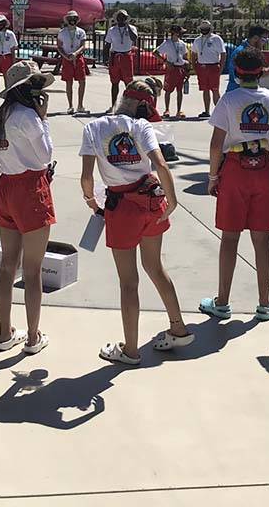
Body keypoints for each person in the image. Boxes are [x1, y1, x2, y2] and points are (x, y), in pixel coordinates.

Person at [80, 77, 191, 365]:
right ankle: (178, 327)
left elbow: (87, 176)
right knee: (155, 267)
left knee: (128, 281)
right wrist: (172, 200)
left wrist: (91, 200)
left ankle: (130, 350)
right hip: (152, 201)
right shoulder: (142, 127)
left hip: (122, 209)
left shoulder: (93, 128)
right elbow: (161, 164)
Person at [200, 47, 269, 322]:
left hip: (235, 170)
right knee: (262, 238)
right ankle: (264, 302)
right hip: (264, 168)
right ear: (261, 73)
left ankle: (222, 302)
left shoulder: (229, 101)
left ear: (236, 73)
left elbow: (216, 144)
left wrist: (213, 177)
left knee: (230, 237)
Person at [0, 61, 55, 355]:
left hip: (7, 187)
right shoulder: (29, 117)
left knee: (7, 263)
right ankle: (33, 337)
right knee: (33, 269)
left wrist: (11, 164)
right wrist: (44, 119)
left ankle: (4, 333)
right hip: (31, 188)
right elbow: (45, 156)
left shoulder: (0, 116)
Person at [225, 26, 269, 93]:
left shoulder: (250, 50)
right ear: (255, 38)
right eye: (264, 40)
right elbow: (240, 78)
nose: (265, 42)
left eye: (267, 40)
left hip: (243, 92)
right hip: (238, 92)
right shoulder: (242, 52)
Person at [103, 9, 138, 110]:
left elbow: (134, 38)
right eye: (119, 17)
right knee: (114, 83)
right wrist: (105, 58)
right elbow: (107, 44)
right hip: (115, 56)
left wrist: (128, 26)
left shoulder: (132, 28)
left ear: (126, 18)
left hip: (126, 56)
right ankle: (113, 106)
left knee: (129, 83)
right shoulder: (112, 30)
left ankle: (130, 106)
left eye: (123, 17)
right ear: (116, 19)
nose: (121, 19)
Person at [153, 25, 190, 118]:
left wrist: (187, 68)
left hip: (181, 68)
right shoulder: (167, 43)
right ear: (175, 33)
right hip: (171, 69)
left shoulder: (182, 43)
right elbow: (155, 53)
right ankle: (167, 109)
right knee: (168, 90)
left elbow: (185, 56)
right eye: (180, 32)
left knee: (180, 90)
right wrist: (165, 62)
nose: (181, 34)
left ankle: (179, 110)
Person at [193, 19, 227, 117]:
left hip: (213, 67)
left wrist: (221, 69)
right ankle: (207, 111)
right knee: (205, 90)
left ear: (210, 29)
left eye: (206, 28)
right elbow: (194, 54)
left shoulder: (216, 39)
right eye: (203, 28)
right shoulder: (197, 40)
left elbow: (223, 54)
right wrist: (195, 68)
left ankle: (220, 113)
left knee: (215, 90)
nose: (204, 30)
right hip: (202, 67)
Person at [58, 10, 88, 114]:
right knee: (68, 82)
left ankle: (80, 105)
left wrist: (75, 53)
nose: (72, 20)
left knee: (82, 81)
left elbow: (83, 46)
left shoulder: (81, 32)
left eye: (74, 18)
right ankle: (70, 106)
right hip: (67, 59)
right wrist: (66, 56)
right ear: (67, 20)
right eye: (70, 18)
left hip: (78, 58)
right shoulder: (62, 32)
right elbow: (59, 47)